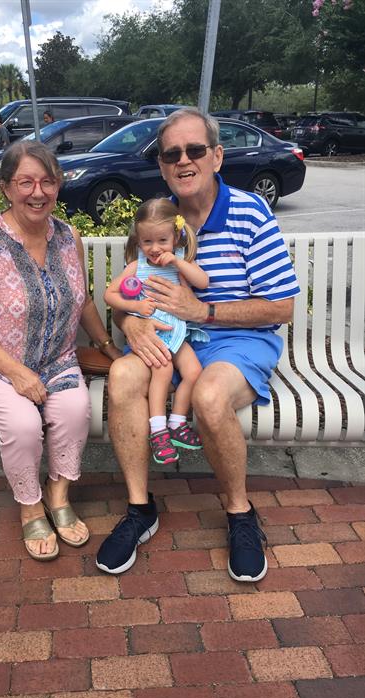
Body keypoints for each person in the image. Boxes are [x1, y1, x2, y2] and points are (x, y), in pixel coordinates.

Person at [97, 107, 300, 581]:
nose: (184, 160)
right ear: (163, 164)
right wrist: (129, 325)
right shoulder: (158, 218)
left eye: (195, 150)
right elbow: (124, 295)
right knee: (124, 375)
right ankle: (139, 509)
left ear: (217, 156)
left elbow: (280, 308)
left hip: (236, 341)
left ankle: (239, 513)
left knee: (209, 395)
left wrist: (202, 311)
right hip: (168, 337)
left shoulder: (250, 212)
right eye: (172, 153)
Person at [0, 140, 121, 561]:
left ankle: (58, 496)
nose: (38, 192)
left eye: (48, 181)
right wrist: (17, 373)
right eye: (25, 181)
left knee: (73, 410)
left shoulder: (68, 236)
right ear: (7, 188)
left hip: (58, 360)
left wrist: (105, 345)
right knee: (24, 423)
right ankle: (30, 506)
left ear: (59, 185)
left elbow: (81, 301)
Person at [104, 198, 208, 466]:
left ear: (176, 236)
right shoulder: (137, 267)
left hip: (176, 331)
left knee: (194, 372)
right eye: (147, 242)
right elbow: (109, 295)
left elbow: (202, 282)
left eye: (162, 240)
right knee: (162, 371)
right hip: (151, 334)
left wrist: (177, 261)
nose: (154, 248)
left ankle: (177, 424)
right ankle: (158, 431)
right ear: (138, 242)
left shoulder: (179, 263)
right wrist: (135, 305)